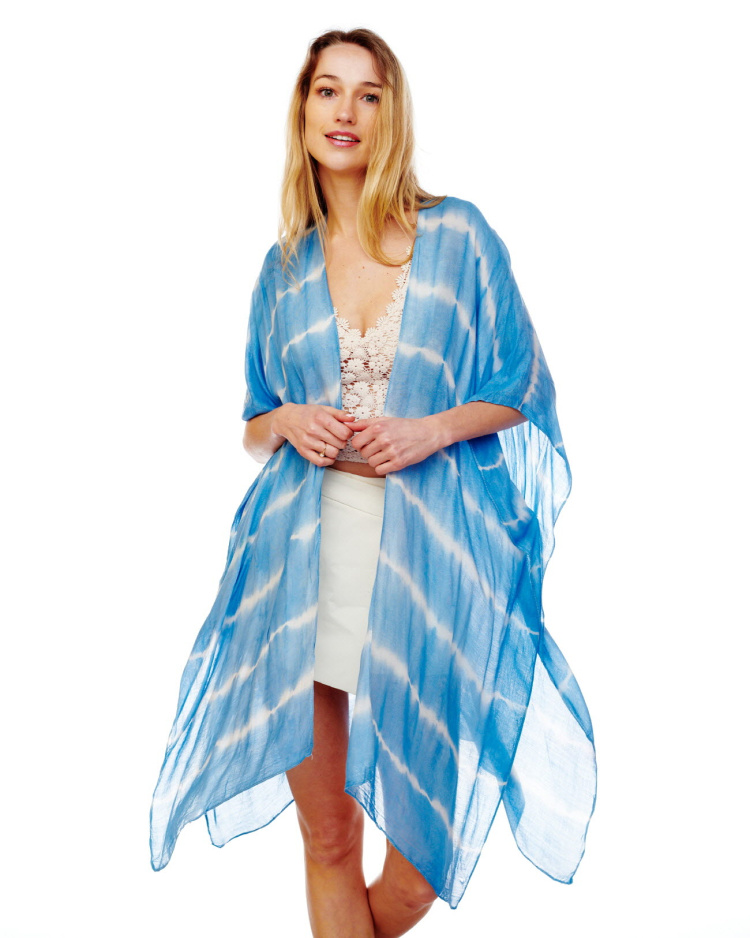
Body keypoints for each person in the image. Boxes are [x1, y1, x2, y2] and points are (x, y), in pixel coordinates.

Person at [150, 26, 597, 938]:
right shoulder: (283, 268)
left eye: (368, 93)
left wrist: (434, 428)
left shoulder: (458, 235)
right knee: (328, 836)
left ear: (391, 114)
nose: (345, 111)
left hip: (430, 557)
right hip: (299, 560)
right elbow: (253, 422)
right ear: (303, 111)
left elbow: (521, 388)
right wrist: (286, 421)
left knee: (421, 864)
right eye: (327, 90)